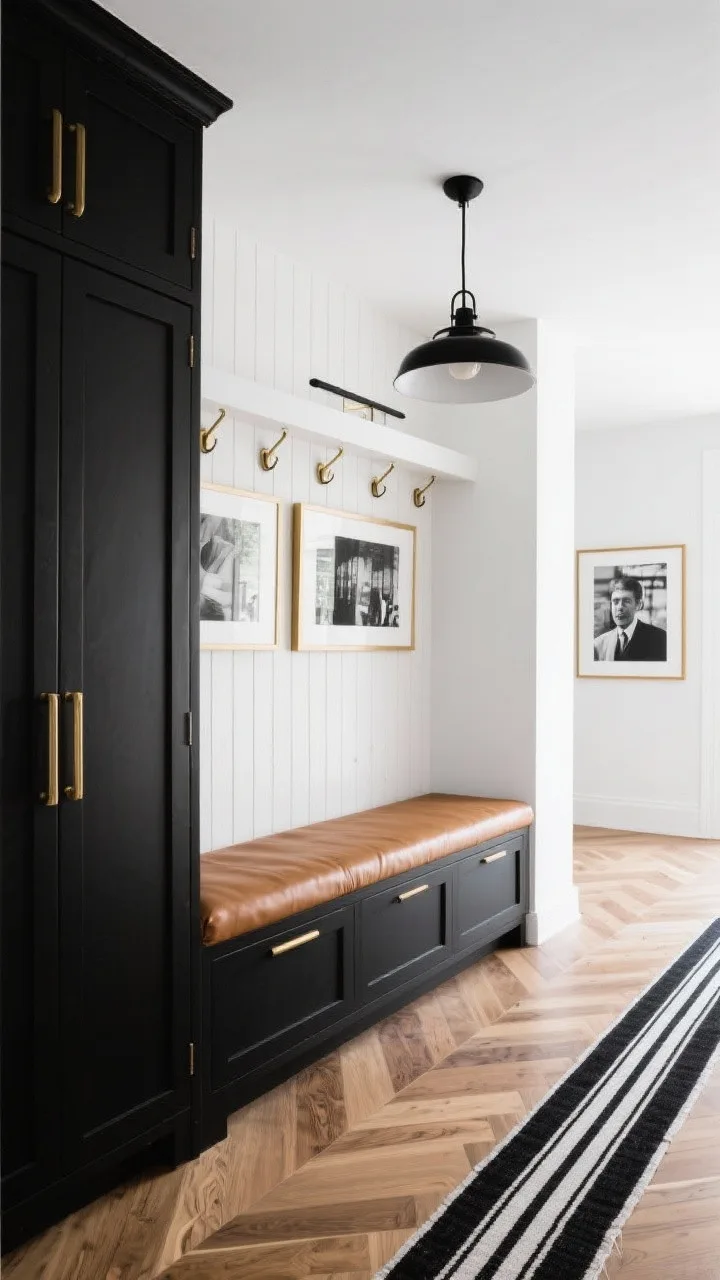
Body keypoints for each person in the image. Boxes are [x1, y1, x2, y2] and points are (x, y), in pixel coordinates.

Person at [594, 575, 666, 661]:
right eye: (615, 601)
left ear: (638, 605)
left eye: (626, 601)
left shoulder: (659, 639)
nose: (620, 607)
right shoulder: (598, 644)